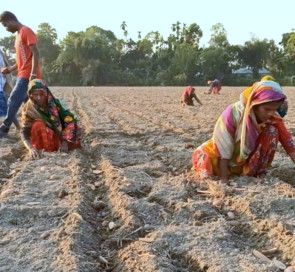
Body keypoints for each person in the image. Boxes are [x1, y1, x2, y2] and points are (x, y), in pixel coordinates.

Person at [192, 79, 295, 183]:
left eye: (274, 109)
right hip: (221, 161)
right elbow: (223, 147)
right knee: (204, 155)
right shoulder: (233, 113)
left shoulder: (273, 117)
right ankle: (226, 172)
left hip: (245, 162)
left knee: (272, 131)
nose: (270, 113)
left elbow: (289, 144)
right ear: (255, 105)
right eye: (267, 109)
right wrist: (223, 179)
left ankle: (251, 172)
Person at [0, 11, 41, 137]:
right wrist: (10, 69)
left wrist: (33, 75)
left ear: (11, 20)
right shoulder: (18, 36)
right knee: (30, 105)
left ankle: (4, 128)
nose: (6, 29)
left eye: (5, 25)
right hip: (22, 73)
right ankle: (35, 129)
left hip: (27, 75)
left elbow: (36, 53)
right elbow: (21, 60)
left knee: (13, 100)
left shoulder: (26, 31)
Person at [21, 79, 82, 159]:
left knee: (75, 129)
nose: (39, 98)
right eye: (35, 95)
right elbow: (24, 131)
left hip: (59, 134)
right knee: (38, 124)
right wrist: (31, 149)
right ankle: (44, 149)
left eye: (41, 94)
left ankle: (58, 144)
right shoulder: (29, 108)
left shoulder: (56, 103)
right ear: (30, 95)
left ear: (46, 93)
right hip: (41, 138)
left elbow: (69, 120)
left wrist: (65, 142)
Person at [0, 49, 20, 130]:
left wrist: (8, 69)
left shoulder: (1, 52)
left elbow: (5, 66)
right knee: (5, 111)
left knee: (10, 106)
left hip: (4, 84)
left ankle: (18, 127)